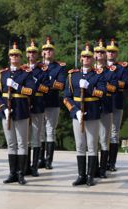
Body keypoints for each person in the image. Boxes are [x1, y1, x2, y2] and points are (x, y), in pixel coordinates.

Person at [63, 43, 106, 187]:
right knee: (80, 145)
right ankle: (81, 175)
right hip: (77, 114)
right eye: (83, 56)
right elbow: (66, 97)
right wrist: (75, 111)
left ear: (93, 58)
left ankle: (90, 176)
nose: (86, 59)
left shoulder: (98, 75)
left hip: (93, 113)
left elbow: (103, 93)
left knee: (92, 146)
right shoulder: (72, 76)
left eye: (88, 56)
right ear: (80, 58)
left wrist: (90, 88)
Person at [0, 42, 34, 185]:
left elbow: (31, 91)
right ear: (9, 58)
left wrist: (16, 86)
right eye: (12, 55)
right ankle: (12, 173)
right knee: (11, 143)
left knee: (22, 143)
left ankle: (21, 174)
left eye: (16, 55)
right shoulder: (2, 74)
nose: (14, 57)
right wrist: (3, 108)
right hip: (7, 113)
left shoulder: (26, 73)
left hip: (21, 111)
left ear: (21, 57)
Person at [39, 37, 66, 170]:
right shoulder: (38, 66)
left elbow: (61, 85)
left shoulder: (59, 67)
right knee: (40, 132)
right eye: (45, 49)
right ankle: (40, 159)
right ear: (42, 51)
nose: (48, 52)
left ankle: (48, 160)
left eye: (50, 50)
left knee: (50, 131)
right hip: (39, 103)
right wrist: (50, 83)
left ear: (53, 52)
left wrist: (44, 84)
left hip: (52, 102)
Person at [25, 40, 50, 177]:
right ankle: (25, 166)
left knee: (36, 137)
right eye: (29, 52)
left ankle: (34, 167)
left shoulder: (43, 70)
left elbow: (46, 88)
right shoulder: (22, 69)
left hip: (38, 105)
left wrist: (34, 84)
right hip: (25, 106)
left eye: (34, 52)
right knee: (26, 138)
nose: (31, 54)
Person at [105, 39, 128, 172]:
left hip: (116, 102)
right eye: (109, 51)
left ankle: (111, 162)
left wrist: (112, 84)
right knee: (103, 133)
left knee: (114, 133)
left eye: (113, 52)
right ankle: (102, 162)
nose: (111, 54)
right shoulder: (100, 66)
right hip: (103, 103)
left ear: (117, 53)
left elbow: (126, 84)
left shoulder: (122, 67)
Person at [93, 39, 115, 178]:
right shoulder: (90, 71)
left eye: (102, 52)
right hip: (92, 108)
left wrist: (100, 86)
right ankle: (93, 168)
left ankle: (103, 169)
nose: (100, 54)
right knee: (93, 140)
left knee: (104, 140)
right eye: (97, 52)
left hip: (106, 107)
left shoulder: (110, 71)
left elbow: (113, 87)